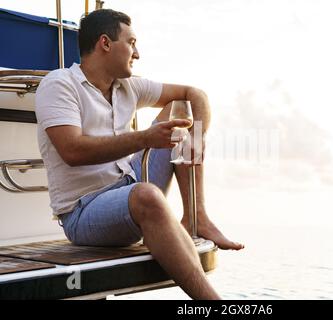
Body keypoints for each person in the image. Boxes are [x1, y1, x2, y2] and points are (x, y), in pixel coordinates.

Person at [35, 8, 244, 300]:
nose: (138, 53)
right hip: (83, 213)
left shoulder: (128, 87)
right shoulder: (59, 85)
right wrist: (145, 138)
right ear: (105, 43)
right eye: (131, 43)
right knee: (145, 195)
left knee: (181, 109)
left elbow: (195, 94)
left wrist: (195, 138)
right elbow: (72, 150)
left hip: (129, 185)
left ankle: (196, 218)